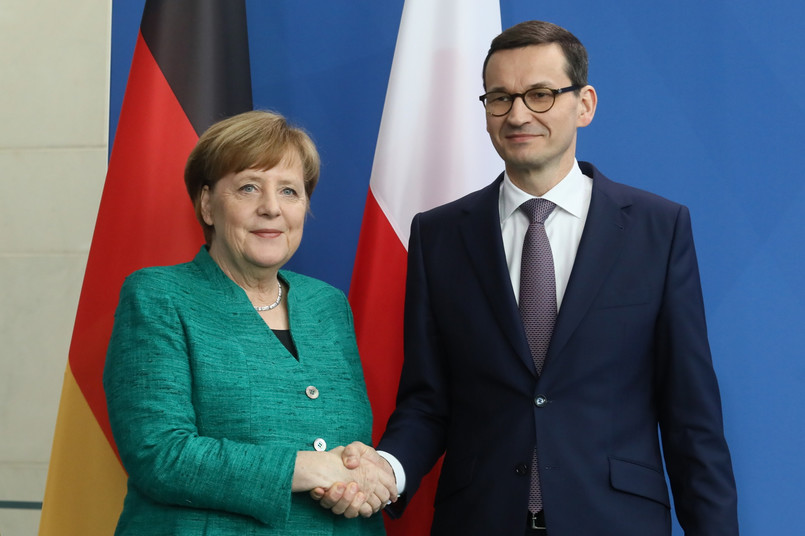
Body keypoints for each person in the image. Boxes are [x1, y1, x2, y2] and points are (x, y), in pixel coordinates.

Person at [318, 20, 739, 535]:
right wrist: (389, 469)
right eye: (500, 97)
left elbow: (691, 418)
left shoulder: (658, 228)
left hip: (615, 521)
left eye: (540, 95)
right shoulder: (439, 235)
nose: (518, 114)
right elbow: (427, 403)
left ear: (584, 103)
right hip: (478, 521)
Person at [103, 110, 395, 535]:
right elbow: (159, 454)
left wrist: (358, 480)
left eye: (290, 191)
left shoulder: (327, 304)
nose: (271, 208)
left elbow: (346, 450)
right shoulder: (158, 295)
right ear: (207, 204)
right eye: (248, 188)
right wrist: (306, 468)